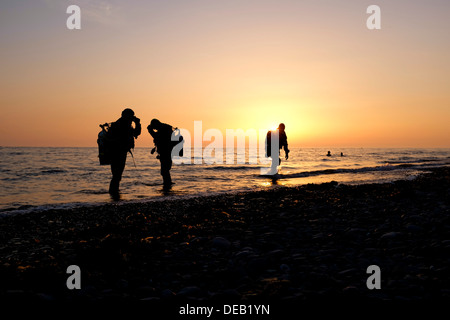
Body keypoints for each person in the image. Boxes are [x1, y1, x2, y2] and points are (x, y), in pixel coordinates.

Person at [108, 108, 141, 196]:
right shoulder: (122, 124)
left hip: (119, 151)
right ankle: (114, 193)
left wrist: (137, 123)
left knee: (117, 174)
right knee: (117, 174)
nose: (132, 118)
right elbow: (136, 133)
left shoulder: (123, 124)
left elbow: (136, 133)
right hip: (117, 152)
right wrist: (137, 123)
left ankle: (114, 192)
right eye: (131, 116)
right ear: (126, 115)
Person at [147, 119, 178, 188]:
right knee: (165, 169)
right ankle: (168, 184)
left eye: (154, 127)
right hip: (167, 151)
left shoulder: (164, 129)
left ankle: (167, 184)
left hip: (166, 151)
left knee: (164, 170)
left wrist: (150, 131)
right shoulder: (165, 128)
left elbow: (157, 137)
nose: (154, 129)